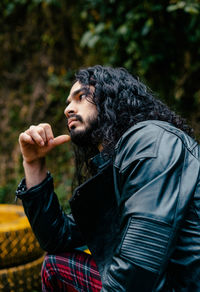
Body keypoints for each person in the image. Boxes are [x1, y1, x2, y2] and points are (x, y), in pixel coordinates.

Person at [16, 65, 200, 292]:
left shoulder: (150, 141)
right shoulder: (118, 162)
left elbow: (138, 270)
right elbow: (58, 238)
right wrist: (33, 163)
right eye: (67, 103)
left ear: (111, 95)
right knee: (56, 264)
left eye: (81, 96)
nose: (68, 110)